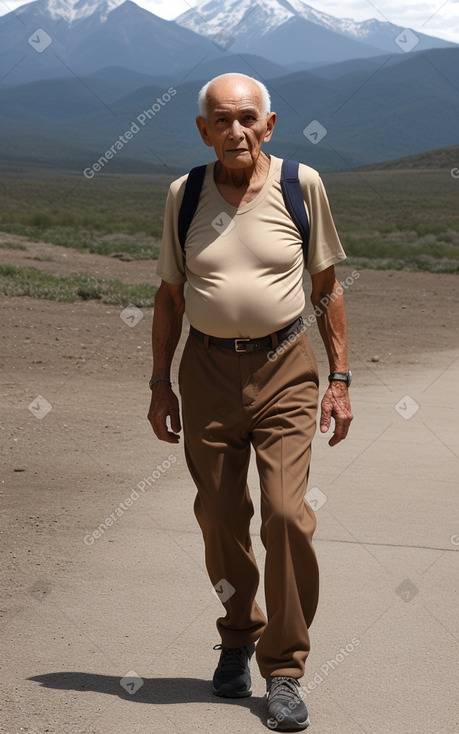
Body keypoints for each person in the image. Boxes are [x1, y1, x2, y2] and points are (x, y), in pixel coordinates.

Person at [148, 72, 353, 731]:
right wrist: (160, 383)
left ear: (268, 125)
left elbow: (326, 285)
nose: (234, 130)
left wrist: (340, 378)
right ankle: (236, 638)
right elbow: (170, 297)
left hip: (285, 367)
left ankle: (285, 669)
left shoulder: (301, 185)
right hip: (205, 369)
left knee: (287, 517)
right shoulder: (184, 196)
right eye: (220, 119)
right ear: (203, 130)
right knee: (219, 515)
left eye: (246, 118)